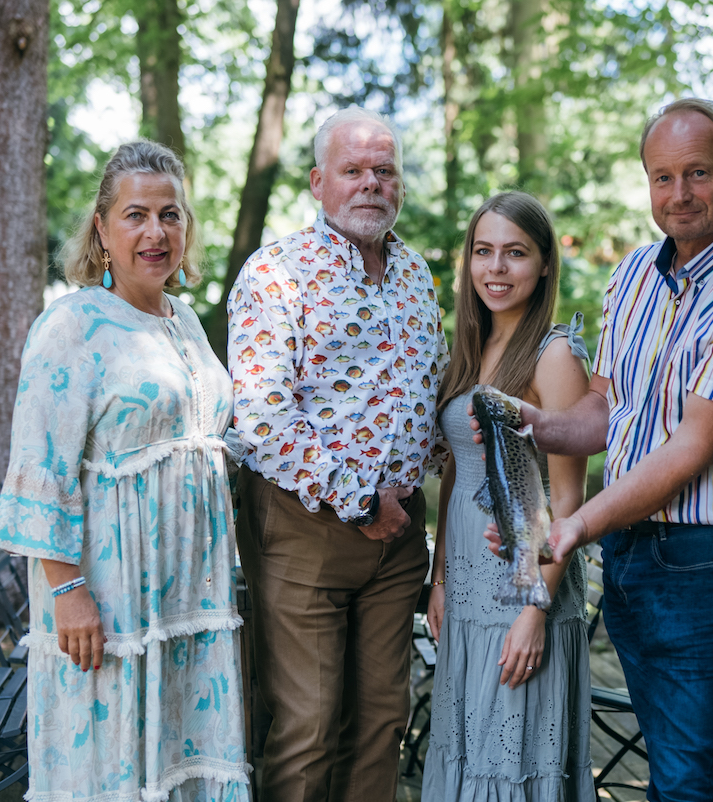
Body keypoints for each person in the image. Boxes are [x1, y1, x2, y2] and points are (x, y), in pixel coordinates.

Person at [481, 99, 713, 802]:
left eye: (698, 173)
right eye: (662, 177)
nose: (680, 194)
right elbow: (608, 409)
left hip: (712, 561)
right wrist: (534, 426)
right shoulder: (634, 273)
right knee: (685, 767)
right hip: (634, 554)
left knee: (688, 779)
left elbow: (691, 448)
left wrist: (574, 526)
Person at [0, 141, 250, 802]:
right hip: (108, 601)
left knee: (178, 761)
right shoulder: (71, 326)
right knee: (112, 766)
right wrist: (67, 590)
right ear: (102, 228)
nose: (156, 232)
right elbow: (38, 468)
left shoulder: (185, 320)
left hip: (190, 597)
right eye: (136, 215)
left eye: (171, 214)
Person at [227, 106, 447, 802]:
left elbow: (430, 395)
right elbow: (261, 417)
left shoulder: (417, 276)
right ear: (320, 182)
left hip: (400, 538)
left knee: (382, 721)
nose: (371, 183)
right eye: (353, 170)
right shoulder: (275, 273)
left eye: (385, 171)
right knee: (306, 725)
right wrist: (358, 497)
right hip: (304, 526)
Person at [421, 192, 594, 800]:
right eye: (483, 252)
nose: (496, 268)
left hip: (523, 587)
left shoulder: (555, 356)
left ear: (545, 264)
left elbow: (569, 502)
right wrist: (439, 580)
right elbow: (452, 479)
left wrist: (534, 611)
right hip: (465, 590)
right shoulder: (468, 350)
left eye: (515, 253)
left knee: (511, 760)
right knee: (465, 755)